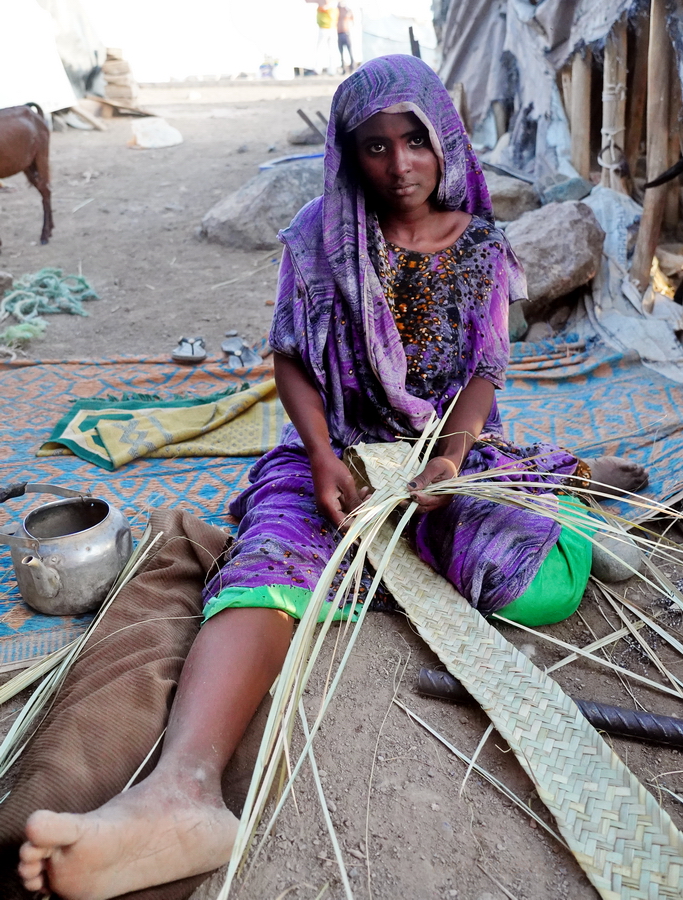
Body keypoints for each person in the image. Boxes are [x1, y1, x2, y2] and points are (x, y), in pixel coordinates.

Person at [17, 55, 647, 899]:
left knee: (534, 588)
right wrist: (319, 457)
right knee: (269, 562)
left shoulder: (483, 243)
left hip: (444, 456)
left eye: (413, 140)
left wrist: (451, 464)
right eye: (374, 147)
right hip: (337, 448)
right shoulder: (320, 233)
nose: (398, 166)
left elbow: (482, 377)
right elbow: (290, 360)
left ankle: (557, 492)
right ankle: (182, 794)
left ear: (443, 137)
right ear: (349, 155)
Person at [315, 1, 338, 75]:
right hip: (332, 28)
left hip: (325, 28)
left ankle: (318, 69)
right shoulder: (334, 8)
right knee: (332, 50)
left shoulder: (324, 8)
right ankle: (331, 70)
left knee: (320, 49)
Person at [337, 2, 354, 73]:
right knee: (341, 52)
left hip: (346, 32)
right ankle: (343, 68)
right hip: (339, 33)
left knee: (349, 51)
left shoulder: (347, 10)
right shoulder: (337, 10)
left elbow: (352, 18)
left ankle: (352, 67)